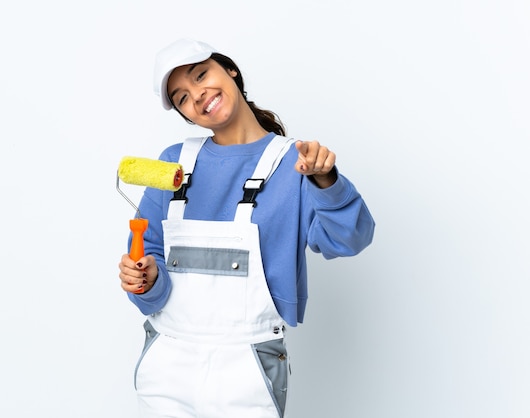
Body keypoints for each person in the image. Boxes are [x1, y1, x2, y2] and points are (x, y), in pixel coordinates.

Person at [118, 38, 375, 418]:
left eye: (201, 74)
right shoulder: (173, 165)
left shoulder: (296, 163)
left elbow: (349, 240)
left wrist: (327, 181)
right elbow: (149, 283)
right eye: (182, 97)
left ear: (230, 70)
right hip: (166, 365)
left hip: (248, 369)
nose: (198, 94)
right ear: (185, 115)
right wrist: (146, 277)